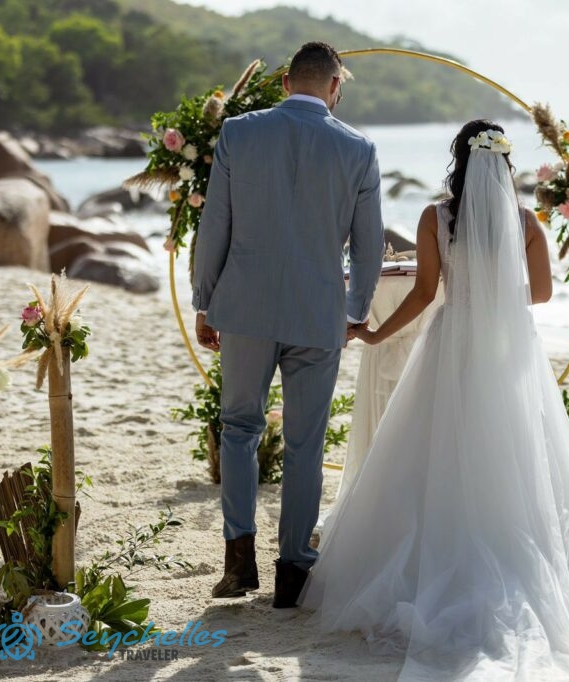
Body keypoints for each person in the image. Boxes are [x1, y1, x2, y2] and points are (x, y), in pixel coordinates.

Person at [301, 120, 569, 680]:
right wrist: (497, 296)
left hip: (453, 341)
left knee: (434, 448)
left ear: (459, 161)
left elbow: (426, 292)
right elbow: (542, 293)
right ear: (505, 165)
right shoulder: (524, 222)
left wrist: (375, 333)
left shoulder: (435, 218)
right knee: (517, 449)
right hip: (508, 345)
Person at [191, 41, 384, 609]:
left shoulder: (238, 133)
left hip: (244, 308)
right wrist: (354, 312)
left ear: (283, 84)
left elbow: (214, 228)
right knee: (304, 443)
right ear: (334, 88)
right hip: (318, 312)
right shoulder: (359, 149)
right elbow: (368, 249)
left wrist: (205, 301)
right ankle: (294, 571)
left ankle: (239, 560)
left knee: (239, 430)